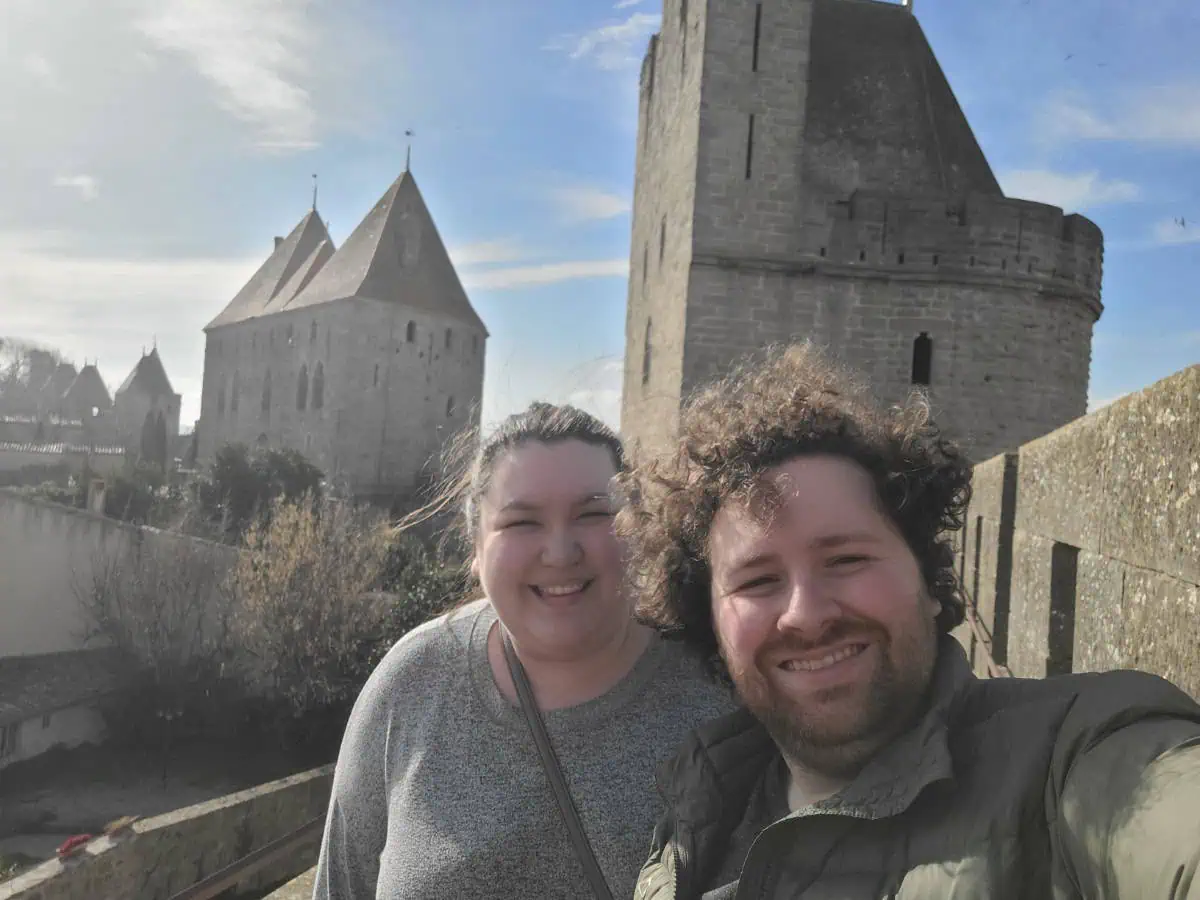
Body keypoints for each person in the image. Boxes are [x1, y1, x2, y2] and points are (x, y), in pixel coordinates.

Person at [617, 342, 1200, 899]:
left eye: (847, 560)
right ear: (712, 626)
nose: (806, 614)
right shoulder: (701, 805)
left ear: (928, 580)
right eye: (757, 581)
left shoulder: (1065, 765)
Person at [311, 402, 735, 900]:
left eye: (594, 513)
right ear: (475, 549)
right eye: (522, 522)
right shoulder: (411, 683)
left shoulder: (719, 700)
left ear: (637, 529)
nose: (559, 552)